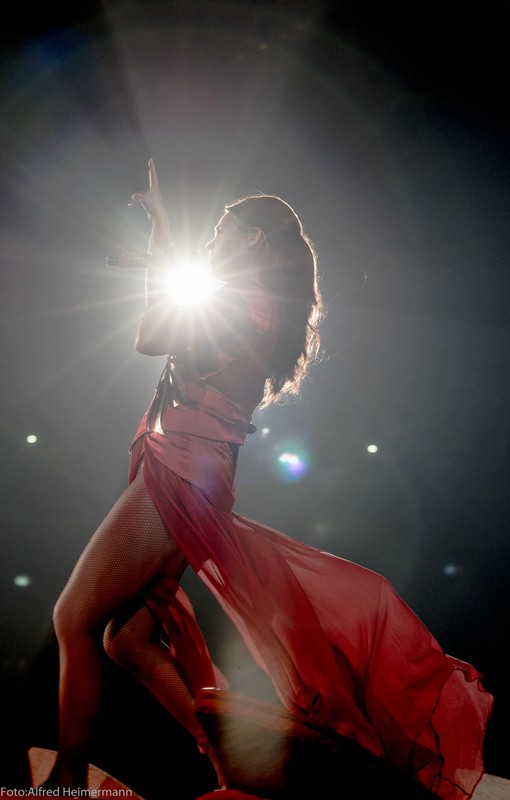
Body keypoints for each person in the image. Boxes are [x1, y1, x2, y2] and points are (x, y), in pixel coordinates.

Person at [43, 159, 493, 799]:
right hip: (195, 471)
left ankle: (64, 782)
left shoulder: (241, 303)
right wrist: (163, 237)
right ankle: (231, 759)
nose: (212, 240)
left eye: (222, 229)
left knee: (73, 619)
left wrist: (163, 243)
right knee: (129, 640)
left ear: (252, 237)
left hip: (181, 471)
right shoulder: (255, 304)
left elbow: (149, 335)